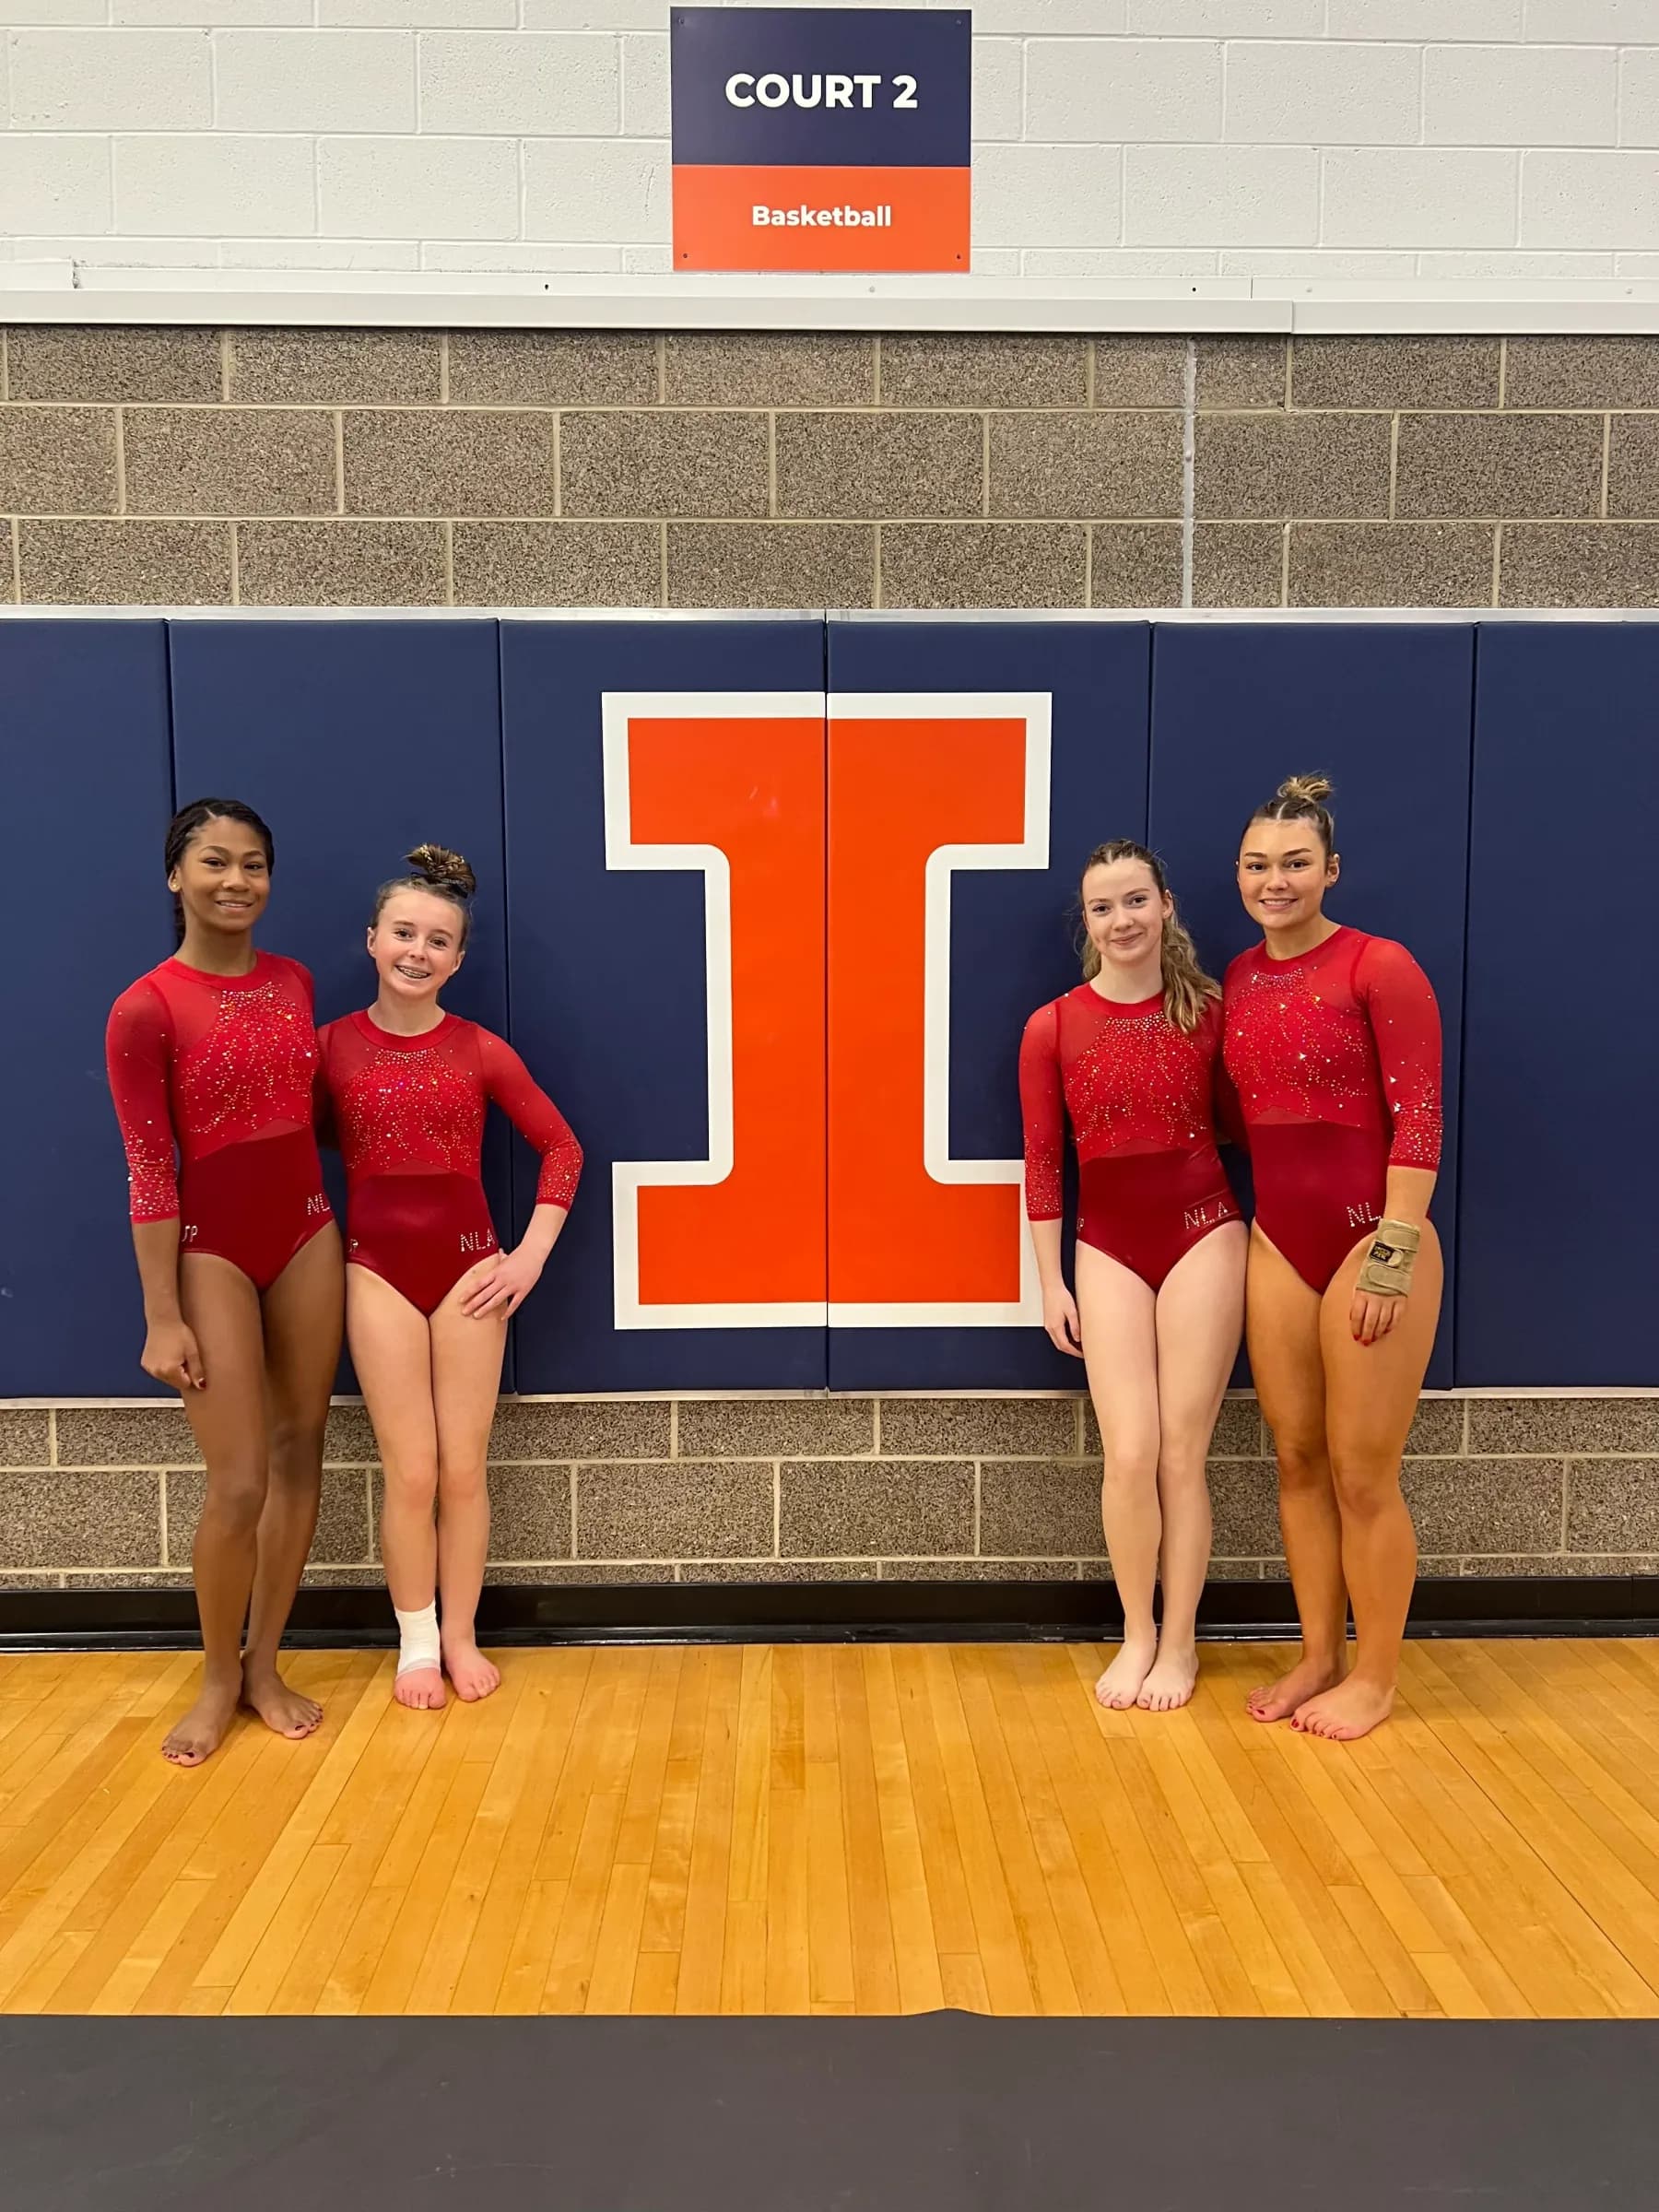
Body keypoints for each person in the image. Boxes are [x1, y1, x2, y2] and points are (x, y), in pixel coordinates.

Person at [106, 798, 343, 1768]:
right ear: (176, 876)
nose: (236, 881)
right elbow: (148, 1166)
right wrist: (162, 1315)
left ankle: (263, 1661)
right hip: (208, 1247)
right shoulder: (145, 1006)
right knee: (239, 1480)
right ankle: (213, 1676)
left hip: (307, 1236)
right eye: (214, 862)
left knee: (302, 1450)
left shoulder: (294, 982)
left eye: (253, 865)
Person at [318, 845, 581, 1710]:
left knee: (465, 1469)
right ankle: (417, 1644)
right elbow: (282, 1150)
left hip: (472, 1270)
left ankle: (463, 1635)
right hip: (377, 1271)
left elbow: (562, 1150)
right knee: (414, 1471)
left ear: (459, 959)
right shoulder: (329, 1049)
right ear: (371, 940)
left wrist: (529, 1256)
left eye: (437, 940)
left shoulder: (479, 1049)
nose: (417, 951)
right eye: (403, 932)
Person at [1224, 775, 1442, 1743]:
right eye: (1258, 865)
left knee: (1363, 1472)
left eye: (1295, 864)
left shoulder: (1378, 966)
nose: (1276, 880)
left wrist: (1393, 1249)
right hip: (1280, 1241)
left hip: (1372, 1238)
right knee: (1298, 1460)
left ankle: (1379, 1676)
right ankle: (1320, 1653)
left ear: (1331, 870)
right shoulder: (1236, 976)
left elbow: (1421, 1116)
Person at [1019, 841, 1246, 1713]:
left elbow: (1240, 1125)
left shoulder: (1209, 1014)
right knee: (1130, 1454)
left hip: (1203, 1233)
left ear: (1166, 906)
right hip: (1105, 1245)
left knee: (1183, 1455)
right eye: (1103, 908)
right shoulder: (1054, 1026)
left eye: (1135, 901)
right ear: (1087, 924)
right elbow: (1043, 1163)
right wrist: (1051, 1282)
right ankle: (1136, 1632)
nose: (1122, 921)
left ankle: (1181, 1642)